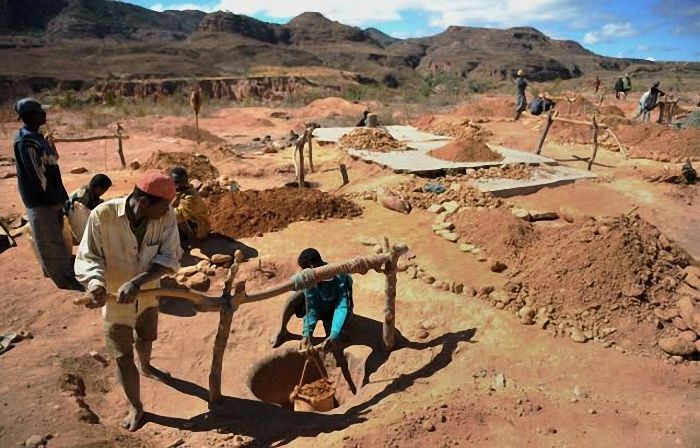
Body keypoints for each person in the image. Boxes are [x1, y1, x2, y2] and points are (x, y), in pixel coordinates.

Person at [74, 171, 182, 432]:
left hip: (147, 295)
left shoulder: (166, 217)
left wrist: (138, 282)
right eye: (163, 205)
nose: (167, 210)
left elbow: (170, 257)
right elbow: (89, 257)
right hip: (114, 302)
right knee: (122, 357)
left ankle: (146, 366)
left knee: (145, 338)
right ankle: (137, 406)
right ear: (143, 202)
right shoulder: (103, 215)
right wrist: (96, 284)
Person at [13, 97, 83, 291]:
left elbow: (52, 162)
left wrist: (61, 197)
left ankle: (61, 271)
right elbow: (38, 177)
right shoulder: (26, 142)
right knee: (48, 240)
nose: (45, 115)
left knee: (56, 237)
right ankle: (64, 280)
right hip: (41, 201)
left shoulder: (37, 137)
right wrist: (54, 199)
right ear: (29, 116)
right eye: (40, 112)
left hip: (51, 197)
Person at [271, 248, 352, 351]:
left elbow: (342, 307)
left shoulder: (341, 277)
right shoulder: (309, 279)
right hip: (320, 306)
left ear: (312, 266)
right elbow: (312, 308)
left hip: (333, 310)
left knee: (334, 342)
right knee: (293, 297)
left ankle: (336, 332)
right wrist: (307, 334)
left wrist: (334, 334)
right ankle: (282, 330)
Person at [169, 166, 210, 248]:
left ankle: (192, 240)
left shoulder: (191, 196)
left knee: (177, 217)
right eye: (175, 183)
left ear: (186, 181)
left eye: (181, 182)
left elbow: (181, 215)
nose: (177, 185)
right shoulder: (179, 191)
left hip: (199, 227)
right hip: (189, 221)